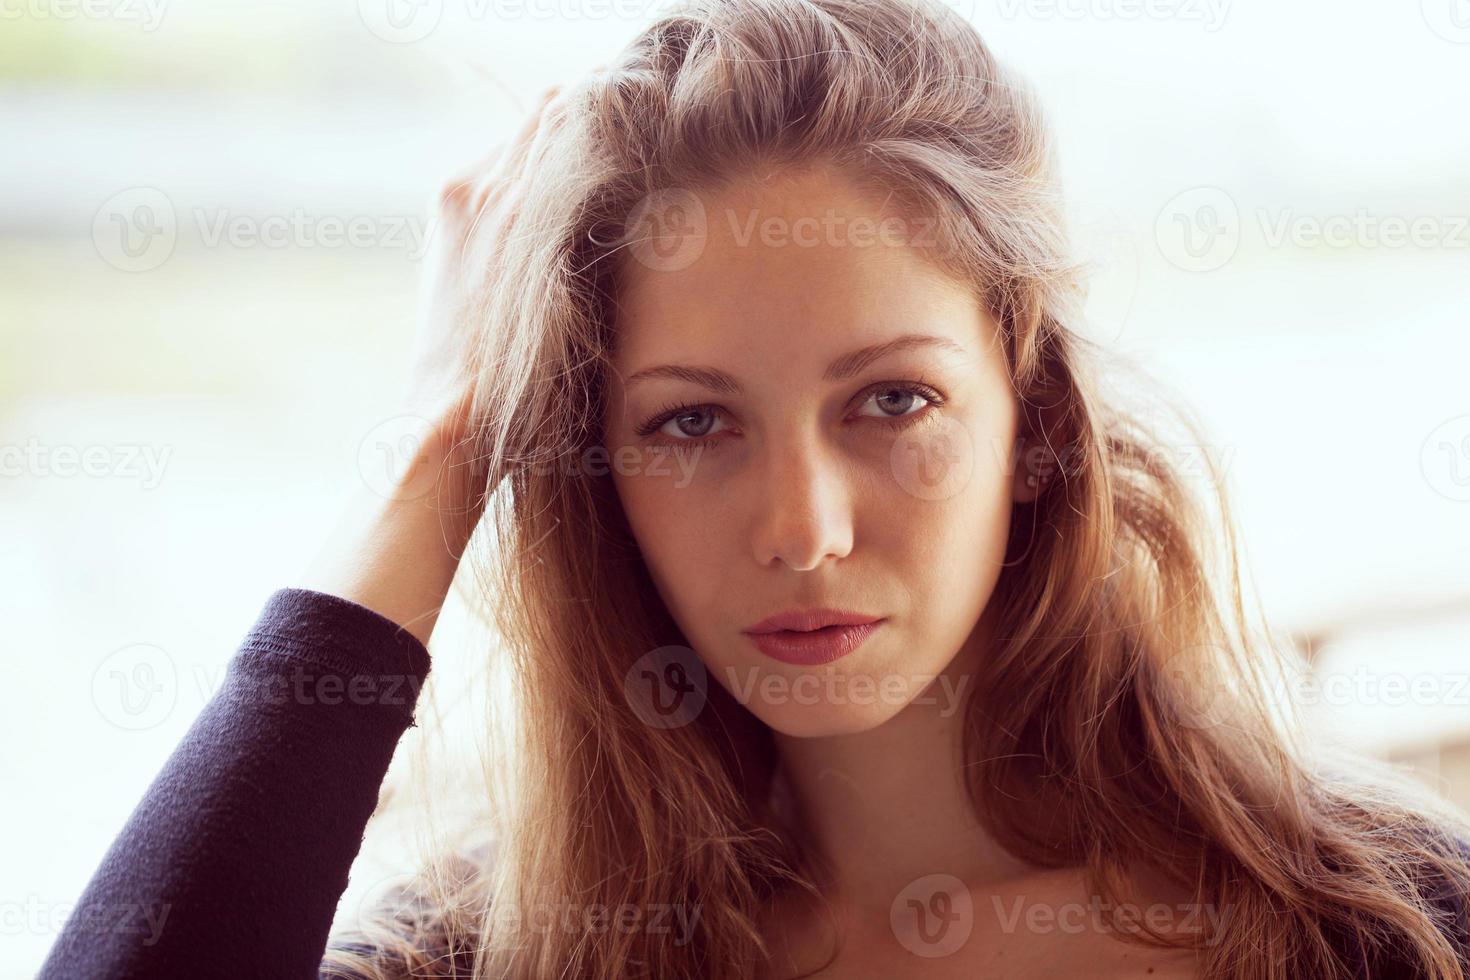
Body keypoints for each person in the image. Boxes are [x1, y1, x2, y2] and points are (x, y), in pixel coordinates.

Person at [40, 0, 1470, 977]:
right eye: (689, 423)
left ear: (1029, 412)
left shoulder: (1375, 923)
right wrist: (438, 448)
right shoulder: (505, 947)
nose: (801, 529)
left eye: (892, 402)